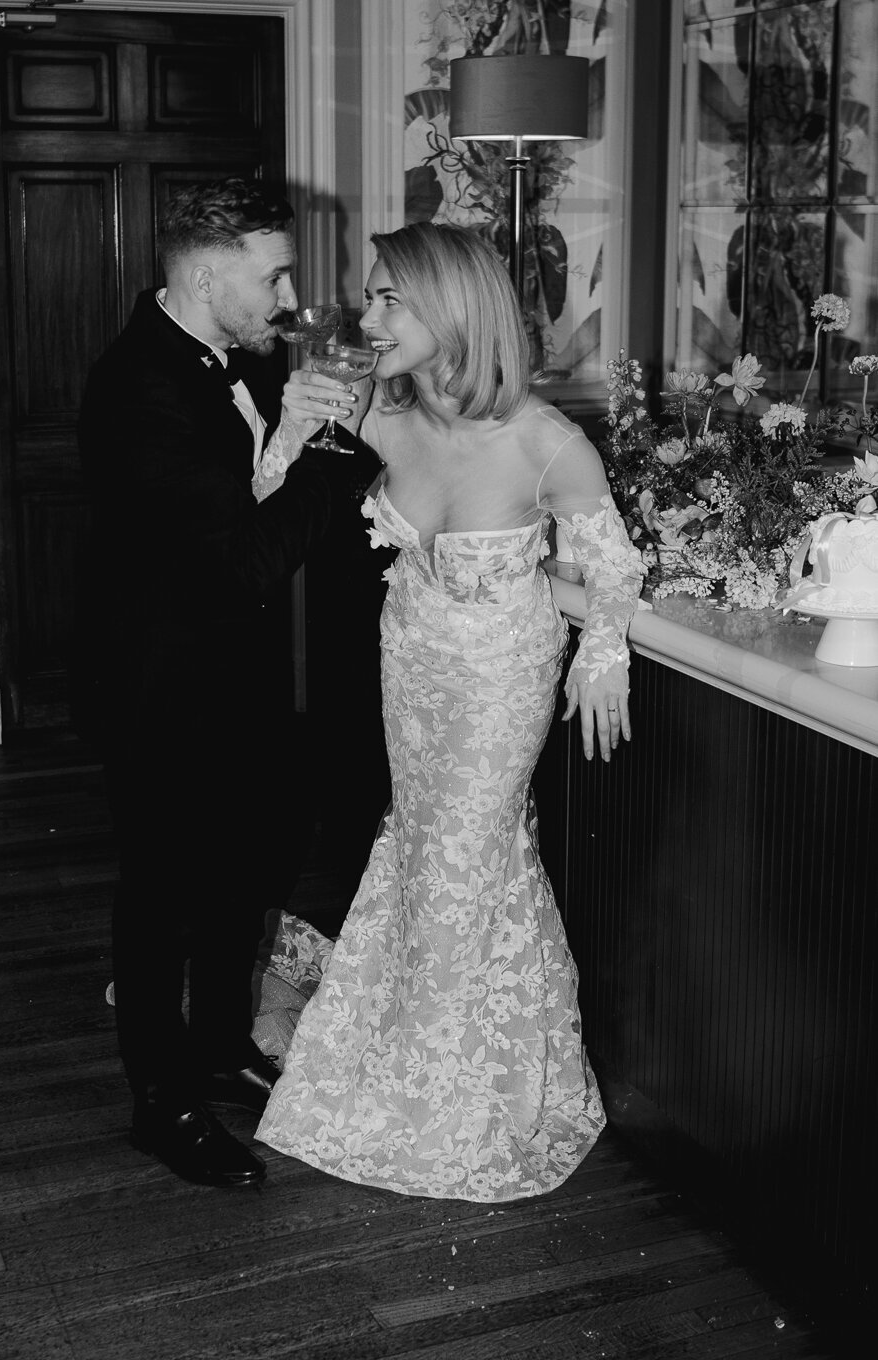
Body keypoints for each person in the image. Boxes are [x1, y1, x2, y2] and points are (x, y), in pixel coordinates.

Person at [254, 221, 646, 1202]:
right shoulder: (381, 414)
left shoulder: (543, 441)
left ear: (452, 309)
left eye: (389, 297)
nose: (368, 315)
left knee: (465, 858)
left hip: (499, 672)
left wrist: (602, 652)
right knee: (424, 847)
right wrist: (294, 425)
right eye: (370, 296)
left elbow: (613, 565)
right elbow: (259, 495)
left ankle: (461, 1092)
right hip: (412, 658)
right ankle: (425, 1051)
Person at [76, 177, 380, 1190]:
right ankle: (161, 1100)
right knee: (163, 889)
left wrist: (291, 432)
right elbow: (242, 558)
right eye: (273, 273)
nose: (289, 294)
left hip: (230, 674)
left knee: (244, 863)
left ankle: (215, 1045)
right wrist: (333, 456)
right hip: (161, 685)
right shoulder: (138, 390)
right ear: (208, 275)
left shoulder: (212, 363)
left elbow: (241, 493)